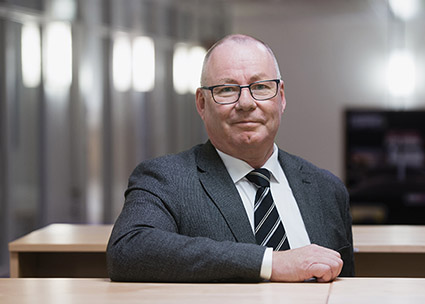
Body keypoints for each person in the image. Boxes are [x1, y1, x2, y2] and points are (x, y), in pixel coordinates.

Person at [106, 34, 354, 283]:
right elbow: (128, 250)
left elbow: (347, 287)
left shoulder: (327, 189)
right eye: (226, 89)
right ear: (202, 104)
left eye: (260, 87)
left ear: (281, 96)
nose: (246, 103)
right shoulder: (165, 179)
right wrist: (270, 263)